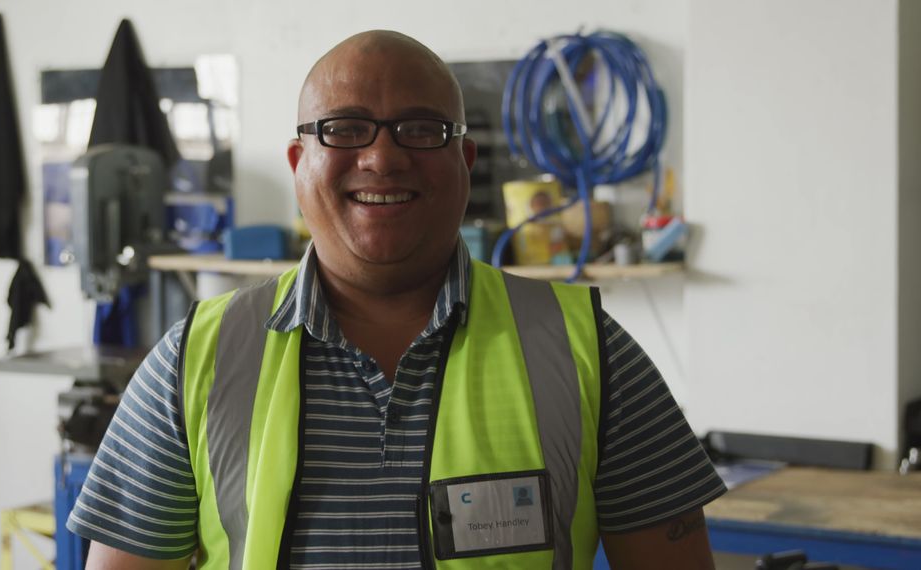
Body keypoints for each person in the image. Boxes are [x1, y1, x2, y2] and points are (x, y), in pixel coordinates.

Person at [68, 30, 726, 570]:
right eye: (346, 129)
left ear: (465, 161)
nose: (382, 159)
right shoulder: (197, 358)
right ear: (299, 162)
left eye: (419, 129)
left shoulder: (588, 350)